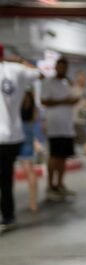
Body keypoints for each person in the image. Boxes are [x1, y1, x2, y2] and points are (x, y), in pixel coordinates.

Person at [0, 43, 42, 231]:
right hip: (15, 136)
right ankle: (8, 216)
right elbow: (39, 72)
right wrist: (18, 60)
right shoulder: (16, 69)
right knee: (6, 177)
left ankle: (7, 215)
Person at [41, 57, 79, 201]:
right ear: (56, 67)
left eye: (65, 67)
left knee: (63, 157)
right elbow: (44, 101)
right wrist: (63, 101)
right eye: (60, 67)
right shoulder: (48, 82)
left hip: (67, 126)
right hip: (54, 126)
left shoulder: (67, 83)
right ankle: (50, 186)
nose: (62, 70)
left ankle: (60, 184)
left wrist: (72, 100)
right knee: (54, 156)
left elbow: (74, 98)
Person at [19, 89, 39, 212]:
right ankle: (33, 203)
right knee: (30, 170)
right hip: (28, 133)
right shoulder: (32, 104)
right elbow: (33, 119)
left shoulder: (16, 99)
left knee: (5, 171)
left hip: (14, 134)